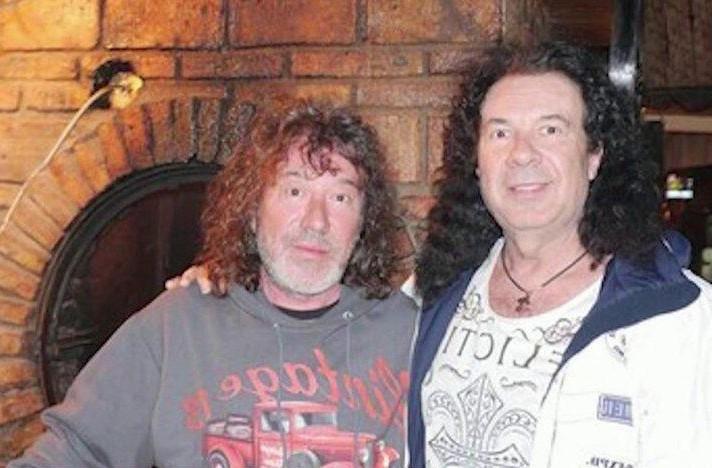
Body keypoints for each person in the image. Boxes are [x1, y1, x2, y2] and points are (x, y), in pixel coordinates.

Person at [11, 99, 418, 467]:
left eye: (340, 198)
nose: (316, 221)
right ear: (253, 211)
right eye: (294, 191)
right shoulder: (179, 324)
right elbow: (76, 450)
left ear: (363, 222)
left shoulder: (414, 332)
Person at [407, 41, 712, 467]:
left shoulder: (677, 315)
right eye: (500, 133)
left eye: (550, 130)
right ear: (477, 162)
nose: (522, 154)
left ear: (594, 156)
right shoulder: (432, 291)